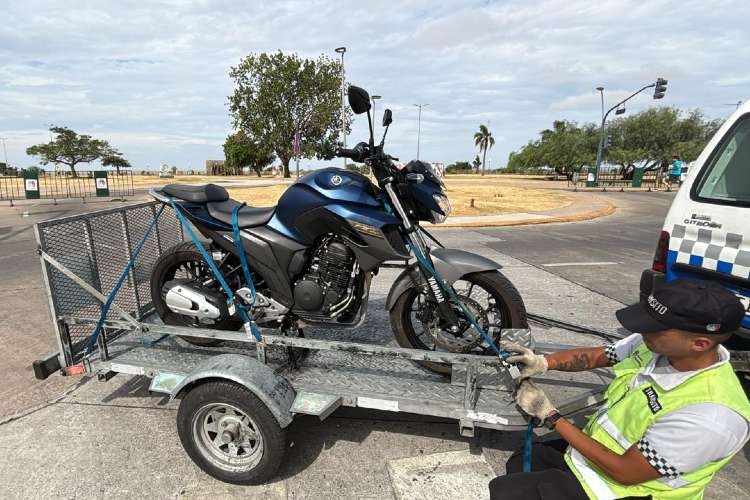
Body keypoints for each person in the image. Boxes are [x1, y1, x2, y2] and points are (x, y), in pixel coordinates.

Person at [489, 279, 749, 500]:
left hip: (622, 490)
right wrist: (544, 363)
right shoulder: (657, 344)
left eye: (653, 327)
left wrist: (549, 415)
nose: (641, 330)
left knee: (508, 491)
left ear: (700, 343)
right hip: (594, 461)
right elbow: (601, 355)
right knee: (524, 458)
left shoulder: (712, 415)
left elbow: (626, 472)